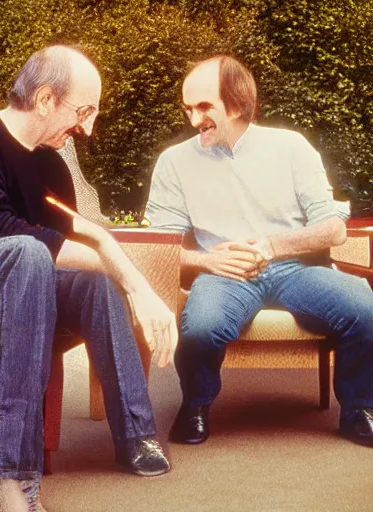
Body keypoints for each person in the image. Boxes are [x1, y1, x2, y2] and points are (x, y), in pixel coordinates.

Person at [0, 45, 177, 512]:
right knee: (30, 252)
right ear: (44, 98)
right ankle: (13, 480)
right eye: (83, 111)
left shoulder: (52, 163)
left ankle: (137, 434)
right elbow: (3, 231)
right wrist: (134, 280)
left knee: (92, 284)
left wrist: (116, 263)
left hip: (20, 276)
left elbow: (69, 235)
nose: (87, 128)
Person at [145, 54, 373, 448]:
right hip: (225, 272)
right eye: (187, 108)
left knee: (365, 309)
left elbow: (333, 229)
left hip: (294, 269)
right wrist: (207, 259)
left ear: (236, 104)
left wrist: (272, 246)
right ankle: (195, 405)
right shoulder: (174, 162)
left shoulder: (291, 148)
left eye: (204, 107)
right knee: (200, 327)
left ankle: (358, 408)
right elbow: (159, 247)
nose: (193, 119)